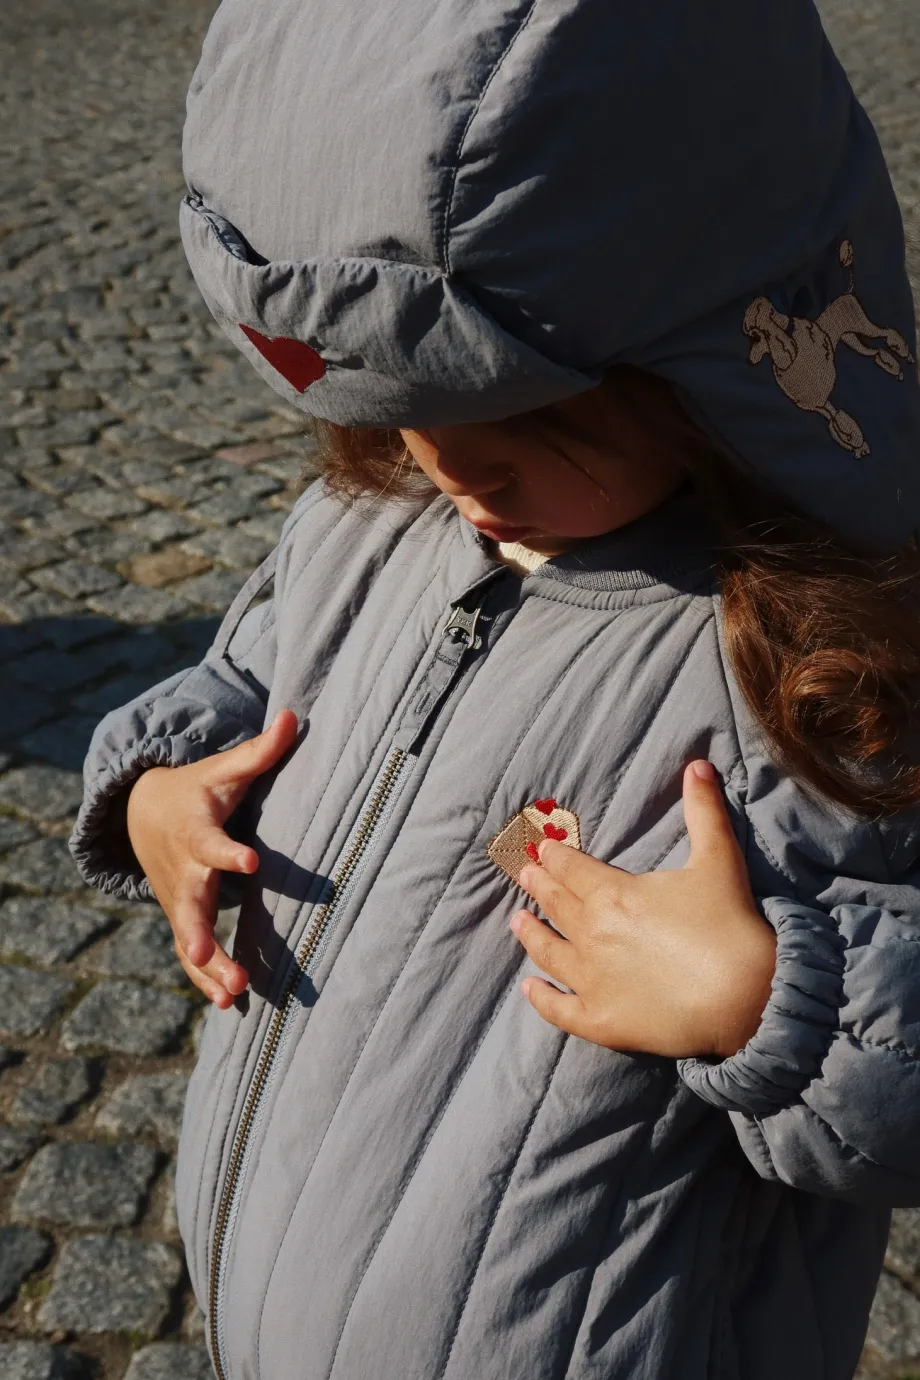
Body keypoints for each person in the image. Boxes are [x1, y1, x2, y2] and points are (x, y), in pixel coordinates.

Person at [70, 1, 920, 1377]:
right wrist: (162, 793)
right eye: (406, 403)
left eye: (533, 413)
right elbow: (247, 671)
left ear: (710, 373)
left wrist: (777, 1002)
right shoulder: (371, 522)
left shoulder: (816, 664)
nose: (455, 464)